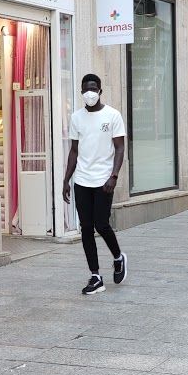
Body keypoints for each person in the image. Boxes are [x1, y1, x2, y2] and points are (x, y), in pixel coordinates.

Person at [62, 74, 127, 295]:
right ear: (82, 92)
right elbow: (73, 151)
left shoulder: (112, 115)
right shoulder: (76, 118)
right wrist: (66, 180)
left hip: (103, 181)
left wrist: (114, 176)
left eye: (93, 89)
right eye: (86, 90)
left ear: (100, 90)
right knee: (86, 228)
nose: (89, 93)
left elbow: (119, 148)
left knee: (102, 224)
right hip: (82, 180)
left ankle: (118, 257)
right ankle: (95, 276)